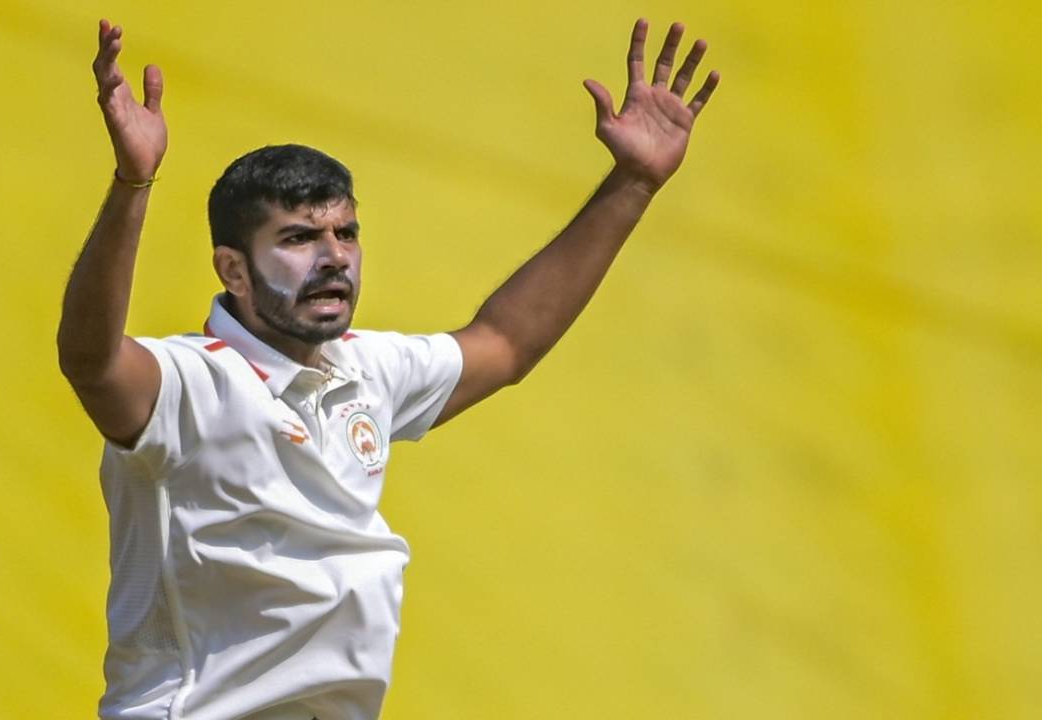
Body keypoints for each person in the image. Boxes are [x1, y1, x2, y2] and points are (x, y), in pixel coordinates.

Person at [58, 15, 719, 720]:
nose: (333, 257)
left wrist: (633, 183)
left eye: (345, 232)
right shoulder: (194, 382)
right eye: (298, 238)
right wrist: (133, 182)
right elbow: (91, 362)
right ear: (234, 271)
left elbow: (506, 341)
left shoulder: (365, 368)